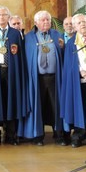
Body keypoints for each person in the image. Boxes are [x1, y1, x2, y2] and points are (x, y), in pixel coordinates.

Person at [20, 10, 67, 146]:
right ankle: (38, 136)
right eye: (43, 20)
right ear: (36, 23)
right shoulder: (29, 38)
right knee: (37, 106)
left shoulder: (57, 35)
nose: (46, 22)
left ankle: (59, 135)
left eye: (48, 20)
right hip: (37, 79)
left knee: (55, 106)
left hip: (54, 78)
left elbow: (63, 54)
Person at [0, 6, 26, 145]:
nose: (1, 17)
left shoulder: (14, 34)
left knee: (11, 102)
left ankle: (11, 135)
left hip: (11, 71)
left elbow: (20, 55)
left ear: (9, 17)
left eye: (4, 15)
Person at [61, 14, 86, 148]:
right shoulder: (70, 43)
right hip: (80, 81)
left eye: (84, 21)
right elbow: (68, 64)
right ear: (74, 27)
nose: (82, 24)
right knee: (81, 107)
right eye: (79, 23)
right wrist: (79, 71)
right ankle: (80, 134)